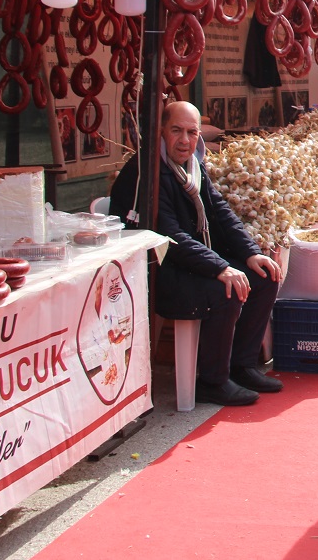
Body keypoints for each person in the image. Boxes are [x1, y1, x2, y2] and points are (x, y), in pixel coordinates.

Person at [109, 101, 281, 407]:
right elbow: (169, 235)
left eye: (191, 132)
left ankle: (240, 365)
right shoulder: (145, 172)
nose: (185, 140)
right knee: (226, 288)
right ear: (161, 131)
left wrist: (251, 253)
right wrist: (219, 268)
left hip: (187, 262)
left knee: (263, 276)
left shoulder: (193, 167)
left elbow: (221, 213)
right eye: (176, 131)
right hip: (156, 271)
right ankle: (211, 381)